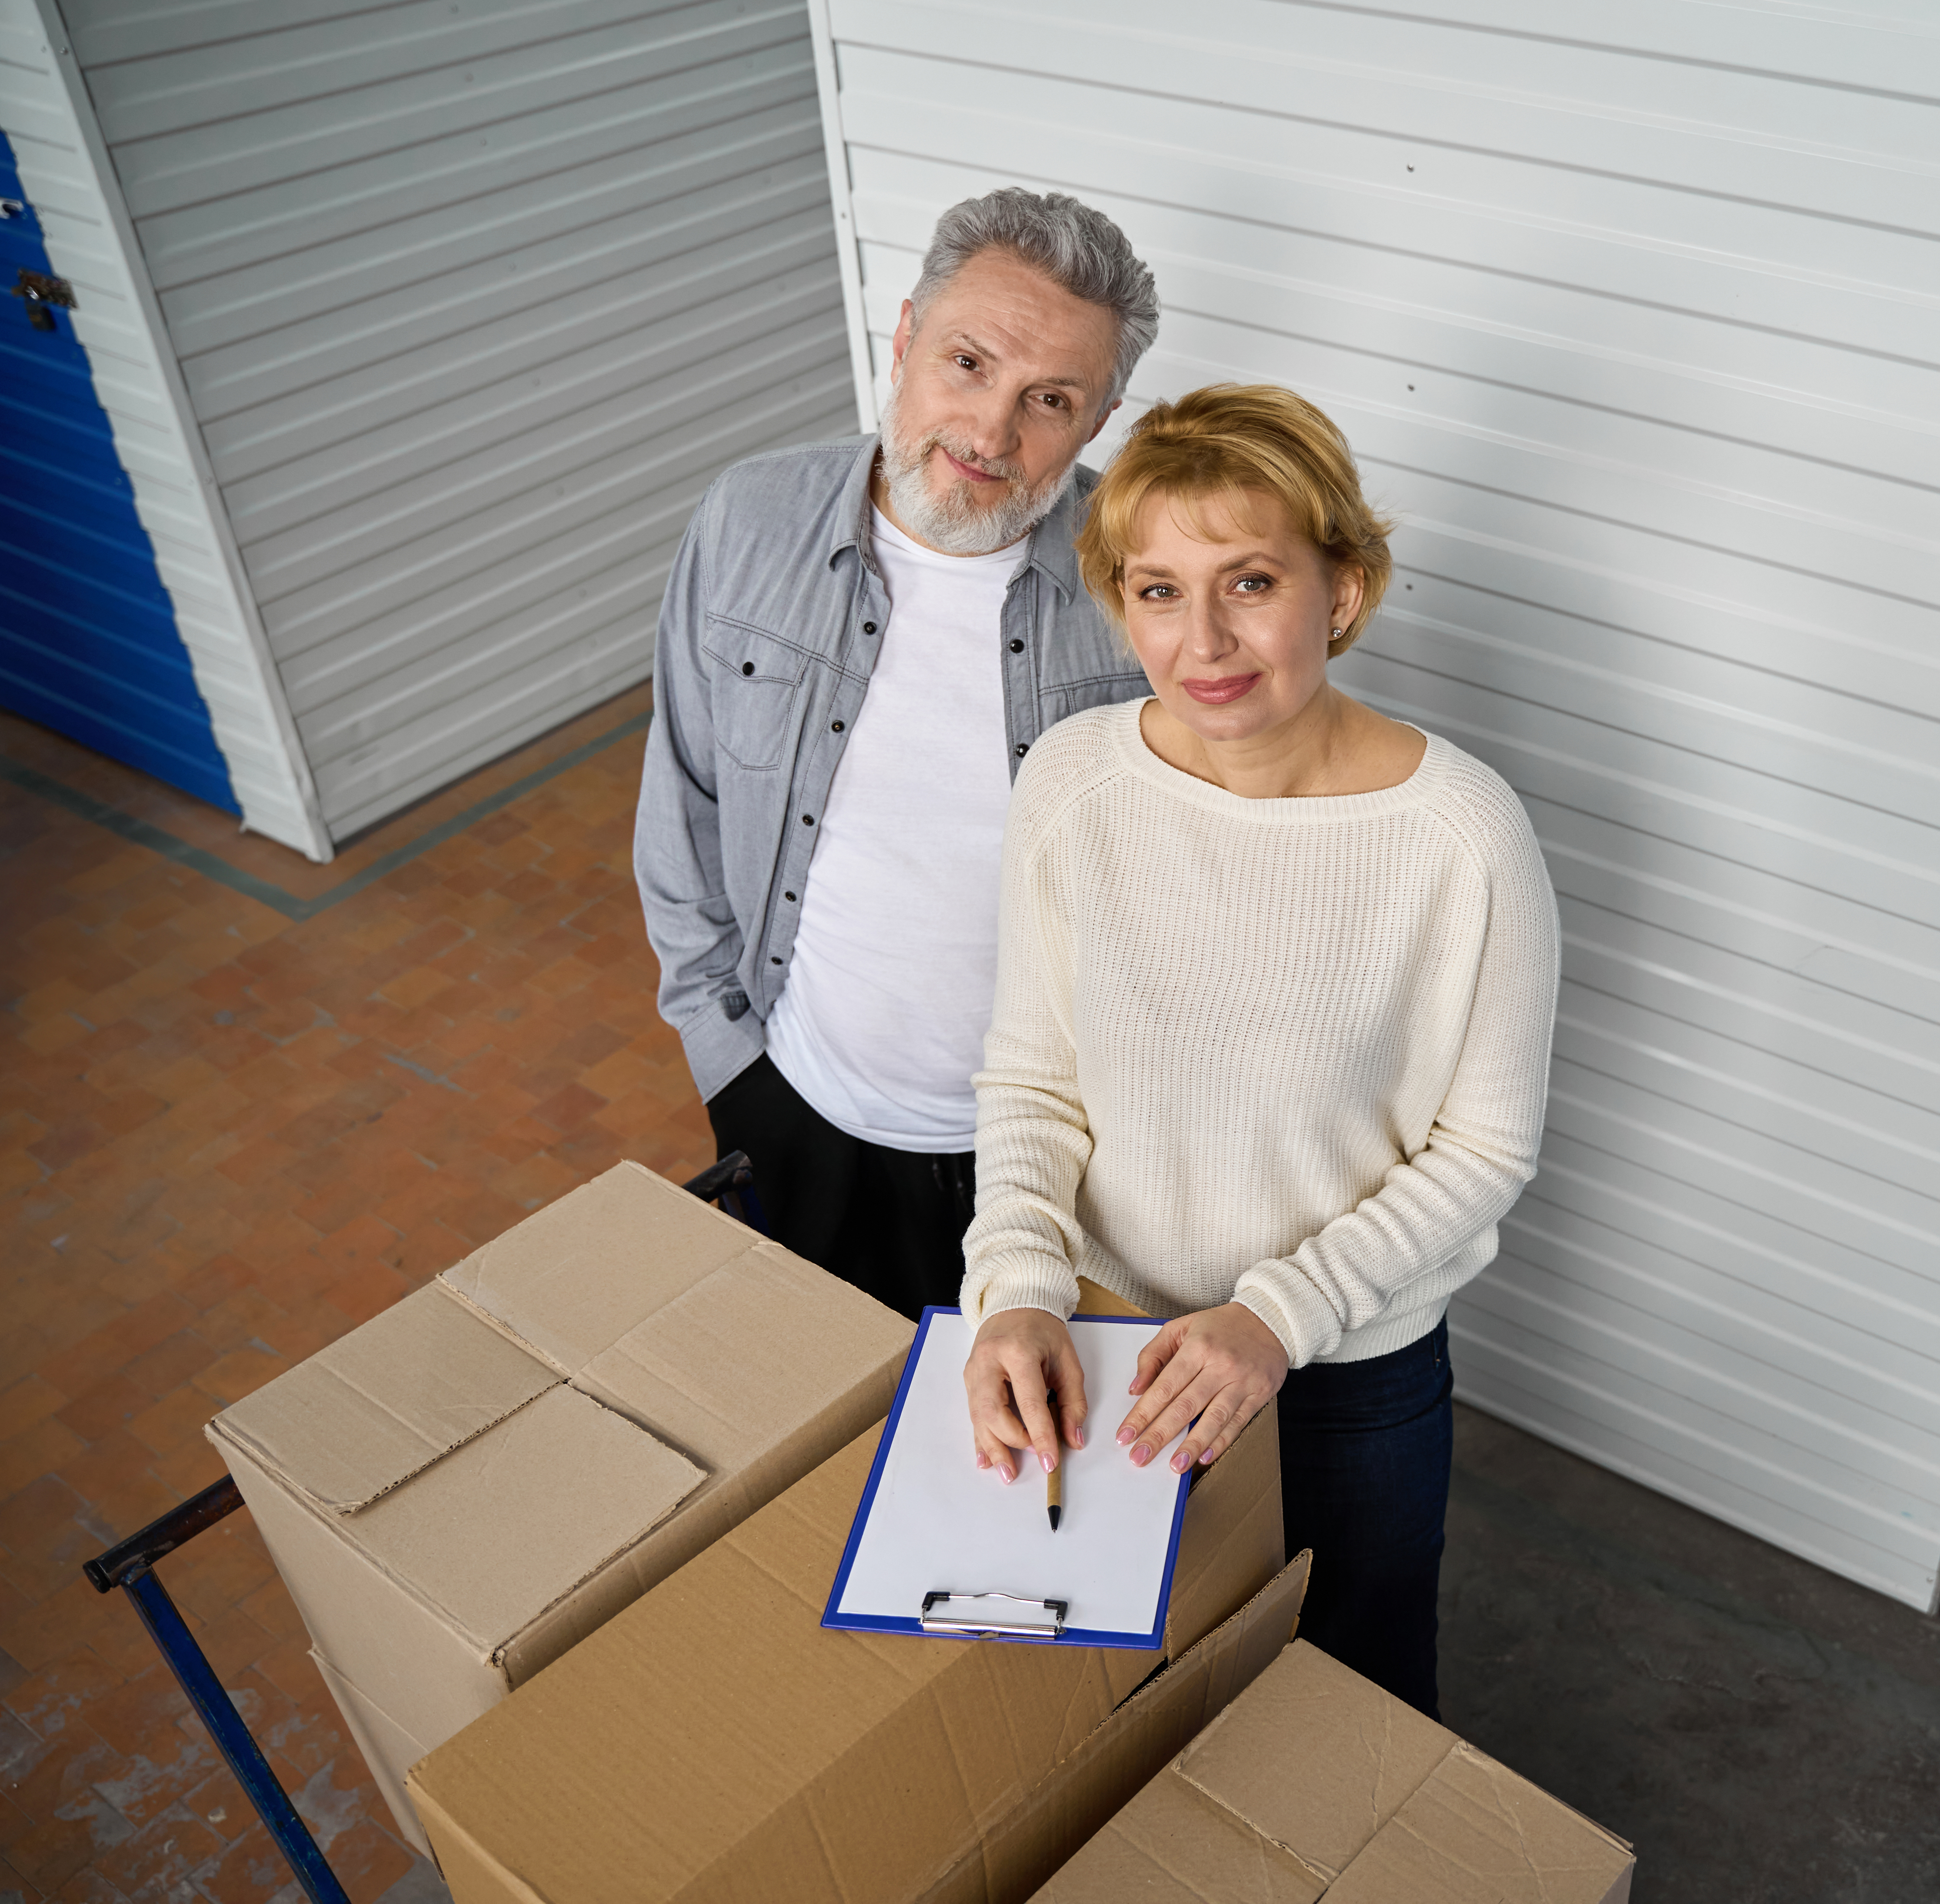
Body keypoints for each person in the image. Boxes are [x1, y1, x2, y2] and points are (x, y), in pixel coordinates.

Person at [955, 385, 1560, 1713]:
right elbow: (1033, 1080)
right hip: (1105, 1343)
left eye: (1251, 582)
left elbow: (1487, 1146)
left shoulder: (1460, 835)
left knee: (1357, 1693)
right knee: (1133, 1701)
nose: (1204, 639)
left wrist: (1277, 1318)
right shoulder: (1071, 782)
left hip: (1349, 1378)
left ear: (1342, 591)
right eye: (1159, 591)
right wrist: (1014, 1284)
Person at [632, 189, 1156, 1317]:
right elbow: (683, 815)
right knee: (833, 1441)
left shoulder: (1152, 585)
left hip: (1060, 1166)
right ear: (907, 335)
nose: (989, 433)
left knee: (1022, 1468)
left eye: (1049, 400)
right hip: (796, 1112)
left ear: (1101, 420)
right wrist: (733, 1073)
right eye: (967, 363)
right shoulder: (747, 522)